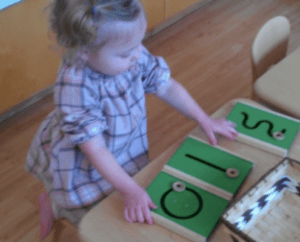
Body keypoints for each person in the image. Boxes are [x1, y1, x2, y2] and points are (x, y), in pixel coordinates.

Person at [25, 0, 238, 239]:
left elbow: (166, 86)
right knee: (95, 219)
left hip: (121, 145)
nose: (138, 55)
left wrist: (205, 120)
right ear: (83, 51)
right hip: (86, 161)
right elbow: (95, 150)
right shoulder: (75, 86)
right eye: (126, 52)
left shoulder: (129, 54)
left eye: (140, 43)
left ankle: (54, 198)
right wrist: (131, 190)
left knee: (128, 191)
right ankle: (53, 204)